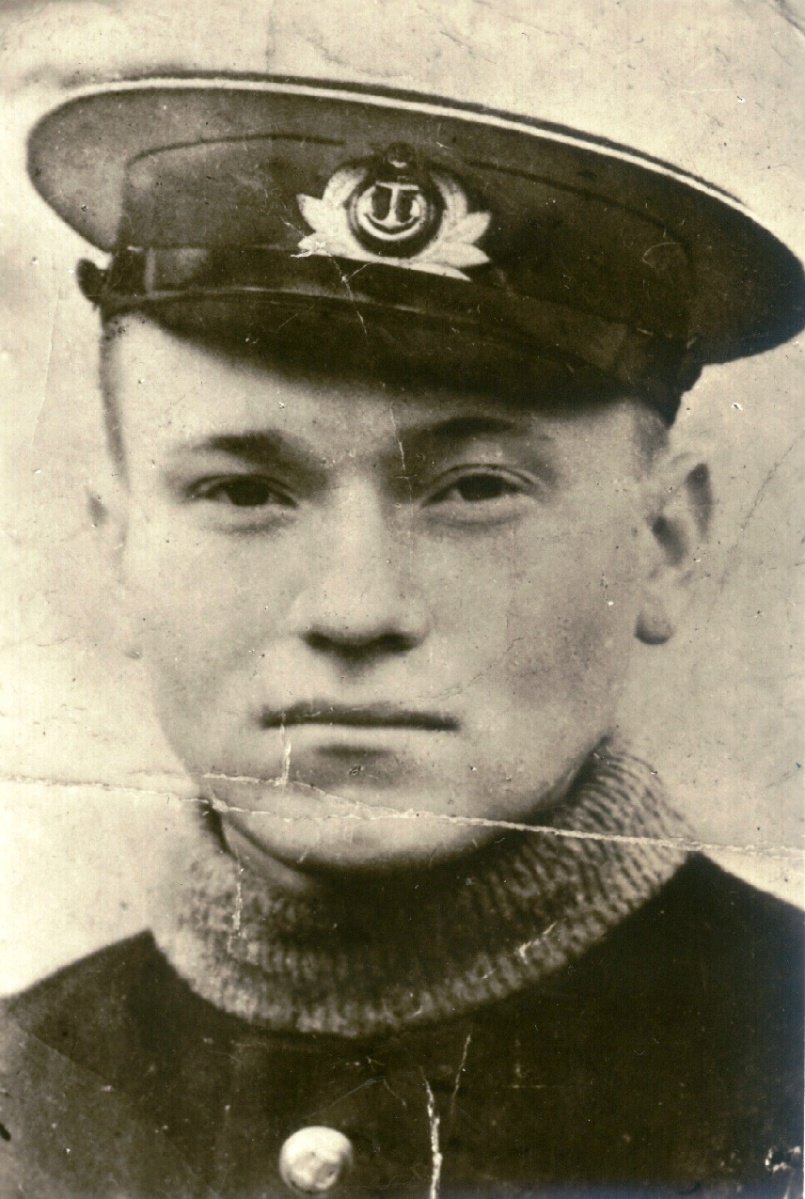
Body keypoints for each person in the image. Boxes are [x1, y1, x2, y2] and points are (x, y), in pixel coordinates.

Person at [0, 66, 803, 1199]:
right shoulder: (25, 1090)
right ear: (119, 551)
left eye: (474, 489)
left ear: (664, 542)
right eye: (243, 492)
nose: (357, 611)